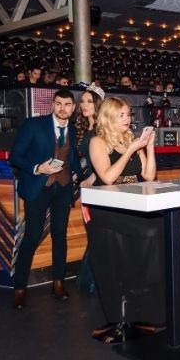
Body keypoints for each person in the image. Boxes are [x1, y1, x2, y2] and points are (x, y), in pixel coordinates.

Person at [87, 96, 159, 342]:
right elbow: (107, 178)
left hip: (130, 205)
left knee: (158, 227)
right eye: (122, 115)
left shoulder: (130, 139)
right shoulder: (98, 142)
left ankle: (142, 297)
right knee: (149, 232)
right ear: (108, 117)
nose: (127, 119)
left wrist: (148, 147)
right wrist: (130, 150)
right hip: (107, 208)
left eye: (128, 114)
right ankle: (134, 294)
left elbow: (148, 176)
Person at [9, 89, 81, 309]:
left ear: (73, 108)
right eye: (58, 103)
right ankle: (20, 288)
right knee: (32, 236)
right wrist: (37, 168)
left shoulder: (72, 129)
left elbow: (71, 156)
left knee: (60, 235)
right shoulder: (33, 125)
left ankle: (58, 283)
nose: (62, 108)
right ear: (52, 105)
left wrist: (79, 174)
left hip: (63, 188)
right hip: (38, 187)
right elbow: (15, 156)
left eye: (67, 104)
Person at [75, 84, 104, 294]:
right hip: (90, 187)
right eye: (82, 101)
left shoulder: (101, 130)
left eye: (89, 101)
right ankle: (93, 282)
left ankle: (93, 282)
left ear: (98, 104)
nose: (84, 105)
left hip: (101, 186)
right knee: (95, 233)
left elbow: (108, 157)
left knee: (98, 233)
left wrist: (93, 176)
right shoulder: (86, 129)